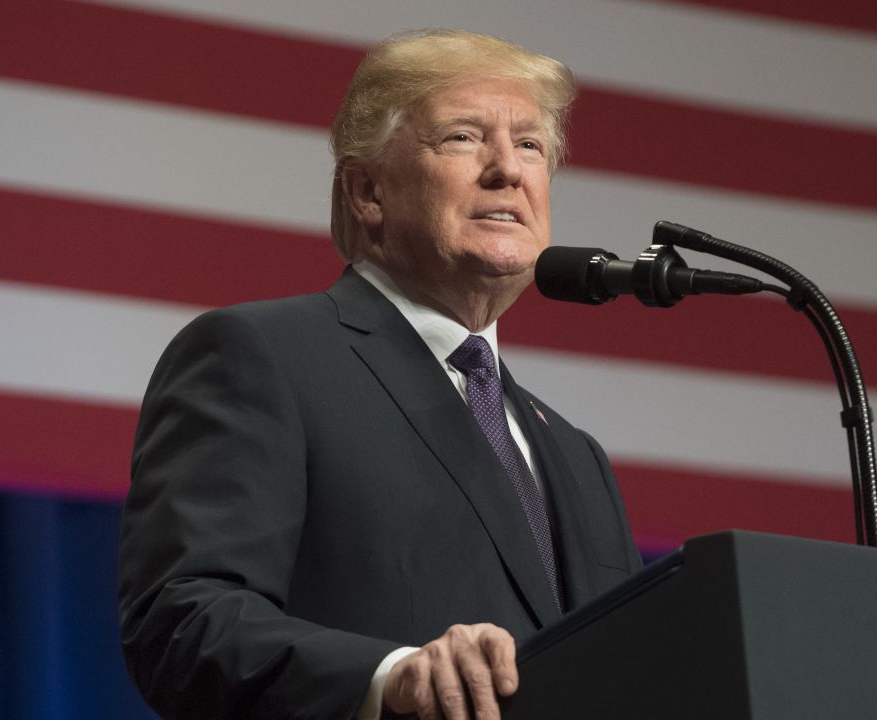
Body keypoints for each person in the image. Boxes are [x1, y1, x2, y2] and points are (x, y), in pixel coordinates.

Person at [118, 29, 641, 720]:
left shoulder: (575, 455)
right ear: (368, 190)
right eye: (462, 137)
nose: (508, 170)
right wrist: (393, 677)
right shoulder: (262, 357)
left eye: (531, 146)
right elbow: (185, 623)